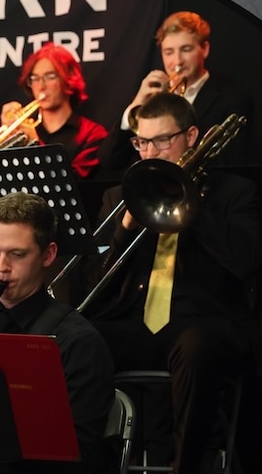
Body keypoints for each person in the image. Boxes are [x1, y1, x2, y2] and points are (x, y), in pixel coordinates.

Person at [87, 93, 261, 473]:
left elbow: (246, 263)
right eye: (142, 142)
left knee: (196, 345)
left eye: (163, 140)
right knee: (78, 338)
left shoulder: (234, 193)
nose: (151, 152)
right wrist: (124, 229)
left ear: (191, 136)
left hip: (206, 323)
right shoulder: (118, 197)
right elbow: (96, 285)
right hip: (136, 324)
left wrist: (191, 206)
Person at [0, 192, 114, 474]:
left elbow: (80, 454)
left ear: (48, 254)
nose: (1, 269)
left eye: (17, 254)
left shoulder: (78, 342)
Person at [98, 11, 253, 178]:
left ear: (205, 49)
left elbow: (232, 163)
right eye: (169, 52)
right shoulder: (151, 100)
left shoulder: (232, 100)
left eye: (186, 49)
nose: (177, 61)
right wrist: (136, 104)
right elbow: (108, 161)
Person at [0, 43, 106, 179]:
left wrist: (35, 145)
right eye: (35, 78)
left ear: (68, 79)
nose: (41, 86)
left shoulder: (93, 135)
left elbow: (72, 182)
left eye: (50, 76)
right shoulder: (27, 129)